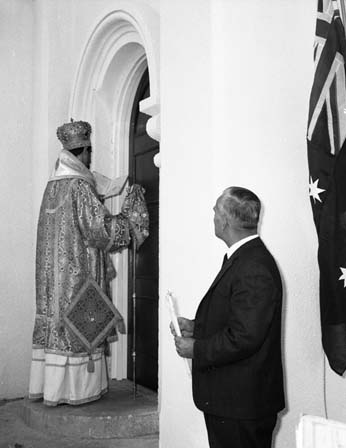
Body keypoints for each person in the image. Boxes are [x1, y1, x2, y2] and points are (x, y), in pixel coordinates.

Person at [29, 119, 148, 406]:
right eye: (89, 151)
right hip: (77, 275)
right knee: (79, 325)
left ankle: (54, 389)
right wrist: (131, 214)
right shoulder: (80, 186)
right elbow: (99, 229)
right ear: (83, 151)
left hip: (53, 281)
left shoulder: (53, 185)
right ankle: (77, 391)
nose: (90, 157)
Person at [173, 186, 285, 448]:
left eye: (215, 211)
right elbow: (237, 319)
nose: (213, 216)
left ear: (224, 220)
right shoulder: (244, 258)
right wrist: (196, 327)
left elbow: (244, 337)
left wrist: (197, 349)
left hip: (241, 405)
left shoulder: (253, 266)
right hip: (234, 401)